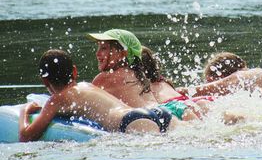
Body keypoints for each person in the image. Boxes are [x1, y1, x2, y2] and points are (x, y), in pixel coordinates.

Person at [19, 49, 177, 142]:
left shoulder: (56, 100)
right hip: (153, 113)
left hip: (130, 122)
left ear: (44, 80)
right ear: (75, 71)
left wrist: (24, 111)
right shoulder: (87, 86)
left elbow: (27, 136)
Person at [87, 29, 200, 121]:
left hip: (150, 116)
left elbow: (85, 105)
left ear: (123, 54)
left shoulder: (104, 78)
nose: (97, 53)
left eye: (104, 48)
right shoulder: (138, 74)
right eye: (98, 47)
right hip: (175, 108)